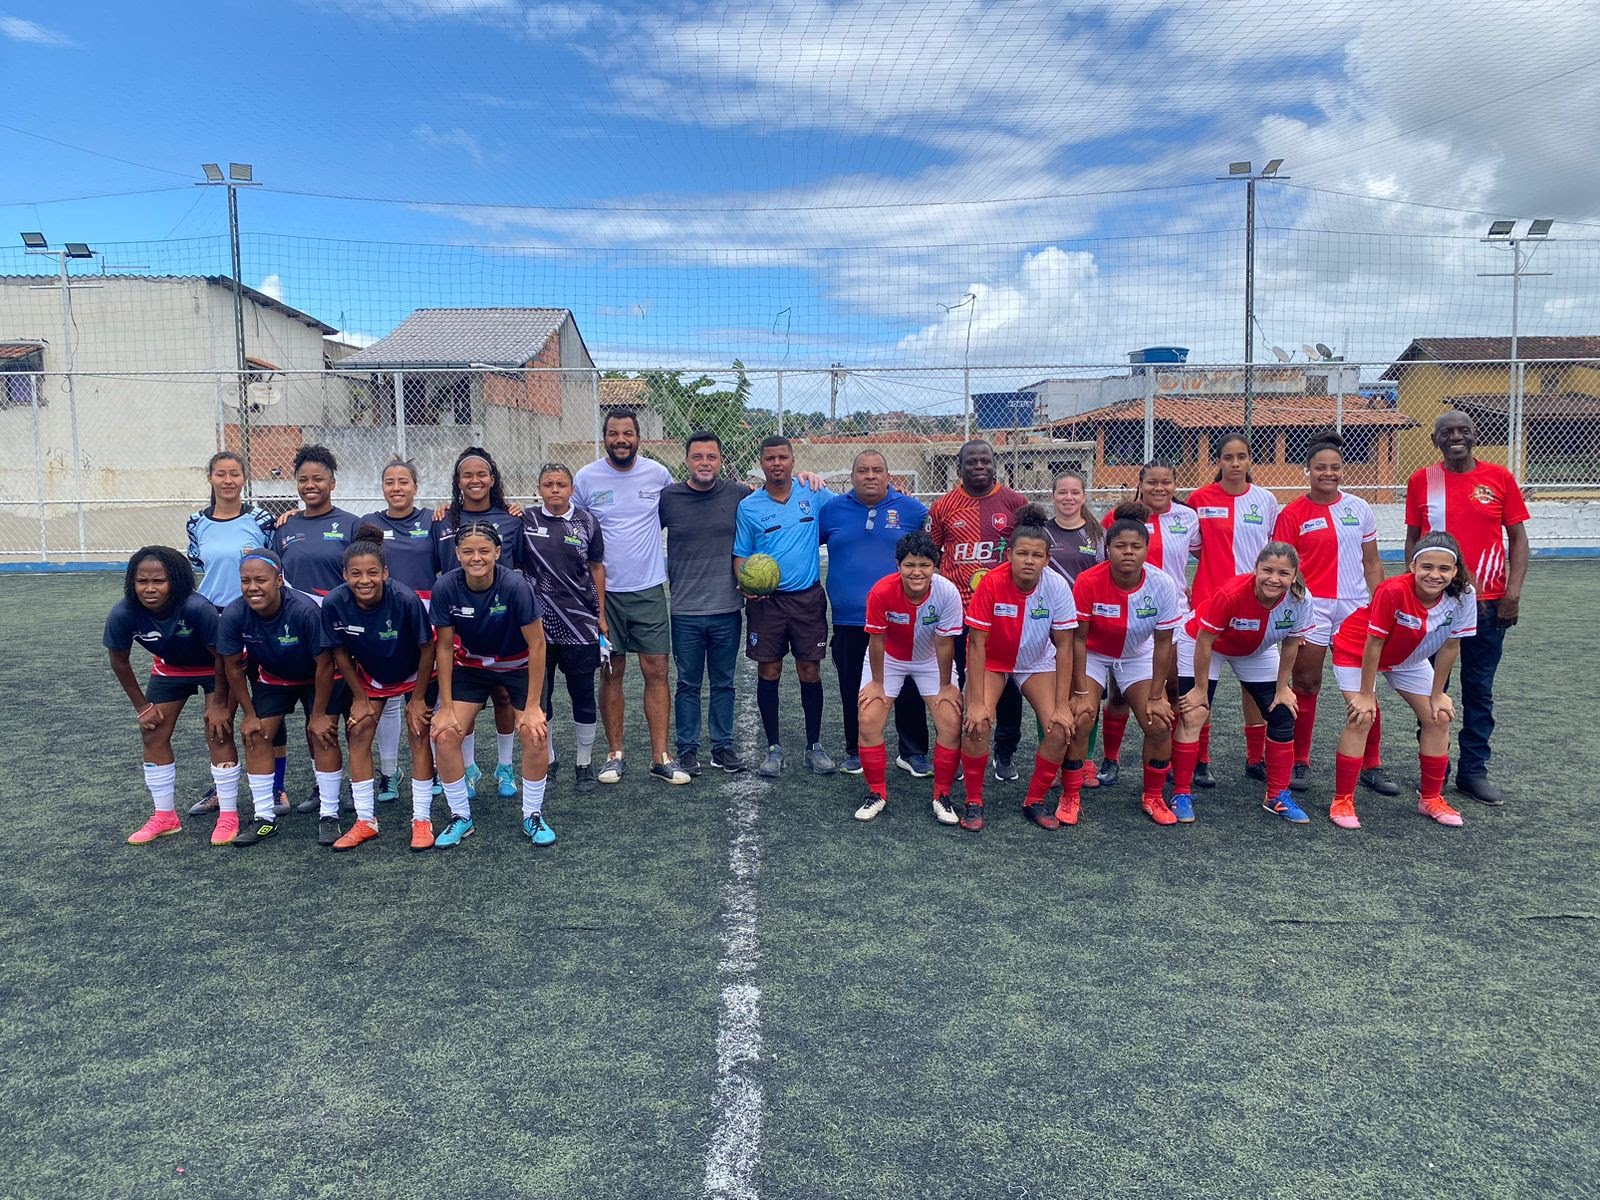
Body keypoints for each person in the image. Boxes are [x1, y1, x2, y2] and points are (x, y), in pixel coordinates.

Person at [1403, 411, 1529, 807]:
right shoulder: (1422, 481)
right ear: (1435, 440)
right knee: (1431, 689)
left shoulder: (1499, 479)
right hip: (1437, 606)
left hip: (1489, 604)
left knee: (1479, 689)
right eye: (1447, 432)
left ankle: (1473, 771)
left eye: (1463, 431)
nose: (1456, 437)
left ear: (1475, 436)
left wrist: (1512, 593)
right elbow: (1413, 541)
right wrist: (1414, 594)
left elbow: (1518, 539)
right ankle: (1432, 771)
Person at [1328, 533, 1478, 829]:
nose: (1434, 575)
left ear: (1455, 571)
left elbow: (1450, 645)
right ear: (1413, 566)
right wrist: (1366, 693)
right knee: (1362, 715)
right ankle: (1342, 800)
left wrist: (1438, 694)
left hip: (1406, 657)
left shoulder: (1464, 595)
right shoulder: (1392, 590)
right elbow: (1374, 644)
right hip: (1357, 651)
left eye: (1444, 569)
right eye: (1427, 567)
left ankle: (1431, 798)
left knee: (1439, 717)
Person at [574, 410, 691, 785]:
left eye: (627, 433)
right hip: (604, 595)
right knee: (612, 671)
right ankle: (615, 755)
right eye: (613, 433)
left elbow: (684, 506)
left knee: (656, 671)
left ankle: (660, 756)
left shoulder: (657, 475)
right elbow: (570, 523)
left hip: (649, 590)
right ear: (604, 436)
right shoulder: (587, 477)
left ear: (639, 437)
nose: (620, 439)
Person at [1273, 431, 1387, 794]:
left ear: (1342, 470)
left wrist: (1379, 601)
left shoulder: (1359, 508)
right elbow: (1286, 565)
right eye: (1320, 467)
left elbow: (1371, 562)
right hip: (1313, 607)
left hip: (1354, 608)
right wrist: (1302, 603)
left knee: (1363, 687)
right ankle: (1300, 761)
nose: (1328, 473)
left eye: (1335, 467)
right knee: (1306, 684)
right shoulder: (1292, 513)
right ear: (1307, 470)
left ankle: (1372, 763)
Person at [1056, 507, 1186, 826]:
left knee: (1158, 722)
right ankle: (1070, 795)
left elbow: (1163, 643)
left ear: (1146, 549)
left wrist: (1156, 695)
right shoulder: (1088, 581)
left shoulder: (1162, 584)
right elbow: (1078, 640)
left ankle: (1153, 796)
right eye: (1120, 546)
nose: (1128, 552)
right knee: (1082, 716)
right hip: (1094, 654)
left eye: (1135, 546)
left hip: (1136, 654)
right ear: (1108, 549)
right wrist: (1082, 691)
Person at [429, 521, 553, 848]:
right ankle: (460, 816)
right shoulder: (445, 587)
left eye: (484, 550)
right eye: (467, 551)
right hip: (470, 667)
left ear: (497, 552)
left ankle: (533, 814)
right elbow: (443, 647)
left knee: (535, 733)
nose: (476, 557)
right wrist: (445, 706)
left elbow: (538, 645)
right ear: (457, 554)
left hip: (518, 665)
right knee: (444, 735)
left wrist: (533, 706)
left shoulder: (515, 586)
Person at [1172, 543, 1315, 825]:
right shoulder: (1232, 593)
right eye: (1267, 570)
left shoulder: (1300, 598)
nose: (1274, 579)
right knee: (1194, 712)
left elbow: (1291, 642)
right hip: (1204, 644)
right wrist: (1200, 690)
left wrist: (1283, 687)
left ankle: (1276, 796)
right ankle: (1181, 793)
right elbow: (1204, 640)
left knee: (1283, 712)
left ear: (1295, 575)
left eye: (1283, 573)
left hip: (1255, 650)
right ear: (1256, 570)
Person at [105, 547, 238, 845]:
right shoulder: (123, 612)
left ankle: (228, 814)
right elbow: (119, 661)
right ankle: (165, 816)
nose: (150, 589)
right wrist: (142, 707)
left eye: (159, 581)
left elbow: (225, 659)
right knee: (152, 733)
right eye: (142, 581)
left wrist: (219, 704)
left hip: (214, 667)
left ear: (175, 581)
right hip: (171, 670)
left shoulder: (196, 608)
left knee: (218, 732)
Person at [958, 505, 1079, 831]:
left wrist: (1064, 704)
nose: (1029, 560)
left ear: (1047, 558)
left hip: (1037, 661)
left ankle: (1034, 800)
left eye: (1036, 555)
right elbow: (977, 643)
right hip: (993, 661)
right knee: (978, 723)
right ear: (1008, 554)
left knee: (1059, 727)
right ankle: (973, 800)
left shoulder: (1056, 587)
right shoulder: (991, 583)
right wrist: (977, 702)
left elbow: (1065, 645)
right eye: (1022, 553)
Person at [318, 525, 437, 852]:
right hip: (372, 677)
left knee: (418, 732)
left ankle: (422, 820)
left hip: (416, 674)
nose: (364, 580)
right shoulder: (334, 603)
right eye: (355, 573)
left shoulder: (406, 599)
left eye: (372, 572)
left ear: (385, 572)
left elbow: (427, 649)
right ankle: (365, 820)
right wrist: (359, 698)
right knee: (358, 732)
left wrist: (416, 699)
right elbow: (339, 652)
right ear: (344, 574)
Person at [217, 548, 341, 847]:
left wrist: (320, 714)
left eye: (261, 580)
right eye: (246, 581)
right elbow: (232, 667)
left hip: (316, 678)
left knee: (322, 734)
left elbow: (325, 663)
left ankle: (330, 813)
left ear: (279, 580)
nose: (253, 587)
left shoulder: (305, 610)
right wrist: (247, 714)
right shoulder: (234, 614)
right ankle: (263, 817)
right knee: (257, 735)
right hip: (274, 679)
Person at [183, 450, 285, 818]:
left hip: (256, 617)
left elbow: (274, 563)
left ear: (244, 478)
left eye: (235, 474)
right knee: (219, 704)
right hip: (213, 622)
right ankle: (221, 787)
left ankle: (277, 788)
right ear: (209, 478)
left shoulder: (260, 518)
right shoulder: (196, 523)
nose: (228, 481)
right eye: (220, 474)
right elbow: (199, 565)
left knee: (266, 700)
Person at [819, 449, 932, 777]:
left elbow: (930, 550)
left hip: (900, 617)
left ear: (888, 476)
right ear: (852, 476)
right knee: (853, 684)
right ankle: (856, 749)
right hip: (849, 618)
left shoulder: (911, 510)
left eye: (877, 470)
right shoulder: (832, 510)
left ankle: (912, 752)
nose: (870, 476)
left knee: (907, 683)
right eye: (863, 471)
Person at [927, 439, 1030, 781]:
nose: (979, 466)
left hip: (1003, 612)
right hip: (957, 611)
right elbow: (934, 553)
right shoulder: (944, 507)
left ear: (995, 463)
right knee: (957, 682)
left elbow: (1028, 552)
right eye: (971, 462)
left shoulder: (1014, 503)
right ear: (959, 468)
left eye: (985, 460)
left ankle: (1004, 752)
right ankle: (956, 748)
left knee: (1007, 684)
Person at [734, 436, 836, 777]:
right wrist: (746, 584)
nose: (776, 463)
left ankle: (814, 746)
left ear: (793, 461)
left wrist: (820, 478)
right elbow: (740, 555)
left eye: (782, 457)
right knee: (769, 671)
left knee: (810, 671)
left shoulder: (815, 493)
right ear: (761, 463)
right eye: (769, 458)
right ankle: (774, 748)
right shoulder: (749, 506)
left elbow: (844, 514)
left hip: (808, 598)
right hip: (768, 604)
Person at [1094, 461, 1198, 789]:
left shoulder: (1188, 518)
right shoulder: (1119, 518)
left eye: (1166, 482)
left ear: (1175, 484)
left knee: (1172, 689)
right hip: (1126, 617)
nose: (1159, 488)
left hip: (1174, 614)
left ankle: (1168, 760)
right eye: (1152, 482)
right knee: (1121, 694)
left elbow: (1206, 556)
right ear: (1141, 483)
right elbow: (1100, 560)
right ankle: (1111, 759)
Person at [1185, 432, 1281, 786]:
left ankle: (1255, 758)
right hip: (1210, 605)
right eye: (1228, 457)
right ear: (1219, 462)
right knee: (1201, 687)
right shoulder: (1199, 499)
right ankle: (1200, 760)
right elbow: (1193, 546)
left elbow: (1275, 554)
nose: (1236, 463)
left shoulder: (1265, 500)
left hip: (1256, 607)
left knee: (1254, 685)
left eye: (1242, 456)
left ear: (1250, 460)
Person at [432, 447, 527, 801]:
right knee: (462, 704)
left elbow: (522, 570)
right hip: (458, 624)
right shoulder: (441, 519)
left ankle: (505, 766)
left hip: (502, 624)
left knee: (503, 696)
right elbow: (433, 568)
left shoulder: (513, 519)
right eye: (466, 475)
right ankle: (468, 767)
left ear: (492, 479)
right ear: (458, 481)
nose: (475, 480)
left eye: (481, 474)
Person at [853, 531, 965, 822]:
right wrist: (877, 683)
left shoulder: (947, 593)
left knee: (951, 722)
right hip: (889, 660)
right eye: (909, 565)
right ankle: (876, 793)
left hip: (930, 660)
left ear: (935, 567)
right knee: (868, 719)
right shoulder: (881, 591)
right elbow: (877, 641)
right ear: (898, 566)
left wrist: (945, 686)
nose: (917, 572)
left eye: (924, 565)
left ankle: (942, 795)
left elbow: (944, 642)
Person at [658, 431, 749, 776]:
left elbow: (773, 500)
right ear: (687, 461)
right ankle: (687, 750)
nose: (705, 463)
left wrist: (806, 479)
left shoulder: (739, 495)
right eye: (698, 457)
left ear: (720, 461)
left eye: (711, 457)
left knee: (724, 682)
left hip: (727, 608)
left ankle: (722, 747)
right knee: (688, 683)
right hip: (685, 610)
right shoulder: (669, 497)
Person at [521, 463, 606, 793]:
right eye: (548, 484)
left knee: (582, 694)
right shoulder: (526, 520)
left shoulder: (586, 522)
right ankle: (550, 759)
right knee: (541, 698)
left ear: (572, 489)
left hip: (580, 623)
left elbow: (597, 567)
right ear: (539, 488)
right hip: (537, 626)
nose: (554, 490)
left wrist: (600, 614)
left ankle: (584, 764)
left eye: (561, 484)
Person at [361, 456, 436, 804]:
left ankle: (432, 769)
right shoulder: (368, 525)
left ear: (415, 487)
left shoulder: (432, 520)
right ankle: (390, 773)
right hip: (382, 621)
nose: (396, 488)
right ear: (382, 488)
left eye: (403, 482)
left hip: (422, 619)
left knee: (423, 697)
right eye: (390, 482)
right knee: (386, 697)